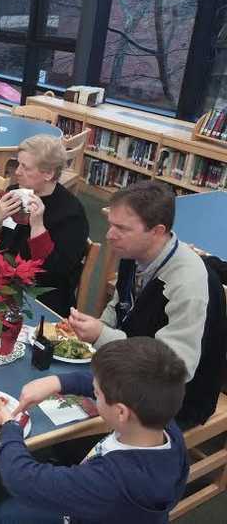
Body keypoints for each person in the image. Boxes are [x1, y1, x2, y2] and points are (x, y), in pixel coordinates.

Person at [68, 181, 226, 428]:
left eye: (121, 228)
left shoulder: (187, 282)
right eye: (110, 224)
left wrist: (102, 335)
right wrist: (100, 327)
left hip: (173, 398)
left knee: (75, 433)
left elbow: (175, 369)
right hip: (130, 369)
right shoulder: (135, 253)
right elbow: (120, 303)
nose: (109, 235)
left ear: (157, 231)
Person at [0, 337, 189, 523]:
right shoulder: (162, 422)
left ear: (121, 412)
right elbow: (108, 383)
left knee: (7, 515)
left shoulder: (108, 482)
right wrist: (57, 382)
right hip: (117, 511)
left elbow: (20, 479)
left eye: (97, 394)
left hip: (88, 512)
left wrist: (9, 427)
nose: (93, 391)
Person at [0, 135, 88, 317]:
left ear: (48, 173)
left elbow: (55, 272)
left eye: (25, 167)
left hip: (40, 298)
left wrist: (37, 228)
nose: (17, 172)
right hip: (1, 283)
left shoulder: (71, 213)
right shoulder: (15, 192)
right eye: (17, 164)